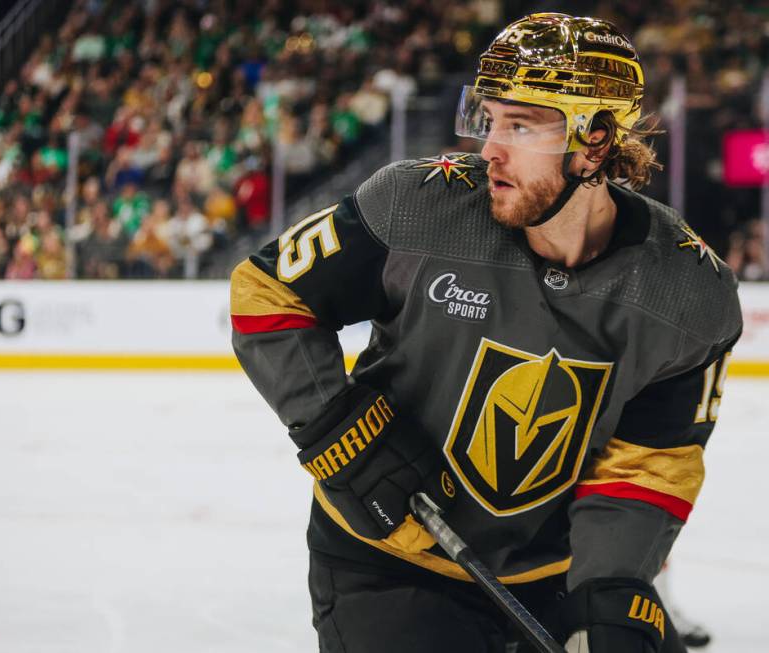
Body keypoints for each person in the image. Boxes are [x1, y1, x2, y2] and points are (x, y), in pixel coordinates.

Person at [231, 13, 741, 653]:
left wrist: (609, 590)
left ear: (598, 139)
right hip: (386, 560)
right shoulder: (419, 206)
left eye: (521, 124)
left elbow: (649, 462)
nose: (489, 147)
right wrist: (340, 432)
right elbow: (268, 290)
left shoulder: (688, 292)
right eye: (488, 118)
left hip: (549, 580)